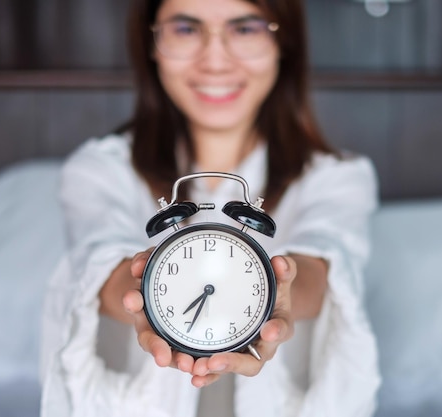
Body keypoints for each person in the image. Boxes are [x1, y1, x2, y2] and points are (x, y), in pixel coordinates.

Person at [39, 0, 381, 416]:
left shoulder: (337, 176)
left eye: (245, 29)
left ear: (283, 42)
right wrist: (141, 293)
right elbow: (97, 261)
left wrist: (279, 288)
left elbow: (326, 265)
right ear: (150, 41)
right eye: (186, 29)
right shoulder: (99, 169)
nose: (215, 61)